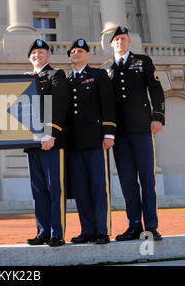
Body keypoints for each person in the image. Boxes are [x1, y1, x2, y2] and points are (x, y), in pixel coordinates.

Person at [108, 26, 165, 241]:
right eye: (116, 40)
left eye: (123, 39)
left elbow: (156, 89)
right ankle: (134, 225)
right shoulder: (107, 69)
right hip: (120, 134)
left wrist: (157, 116)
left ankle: (150, 226)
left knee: (147, 179)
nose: (120, 42)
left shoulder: (143, 61)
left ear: (129, 41)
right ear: (111, 44)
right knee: (127, 180)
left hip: (142, 129)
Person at [66, 39, 116, 245]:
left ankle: (102, 230)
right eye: (73, 51)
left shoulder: (98, 75)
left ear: (87, 54)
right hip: (74, 143)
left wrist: (109, 133)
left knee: (98, 185)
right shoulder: (67, 81)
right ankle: (87, 230)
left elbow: (108, 103)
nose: (76, 54)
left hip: (96, 140)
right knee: (80, 189)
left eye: (80, 51)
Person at [25, 39, 69, 247]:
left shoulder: (55, 75)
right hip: (32, 142)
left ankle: (56, 233)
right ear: (29, 58)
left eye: (41, 52)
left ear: (48, 56)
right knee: (38, 190)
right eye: (34, 53)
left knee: (54, 189)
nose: (37, 56)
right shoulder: (27, 80)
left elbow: (58, 105)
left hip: (51, 142)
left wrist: (52, 134)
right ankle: (42, 232)